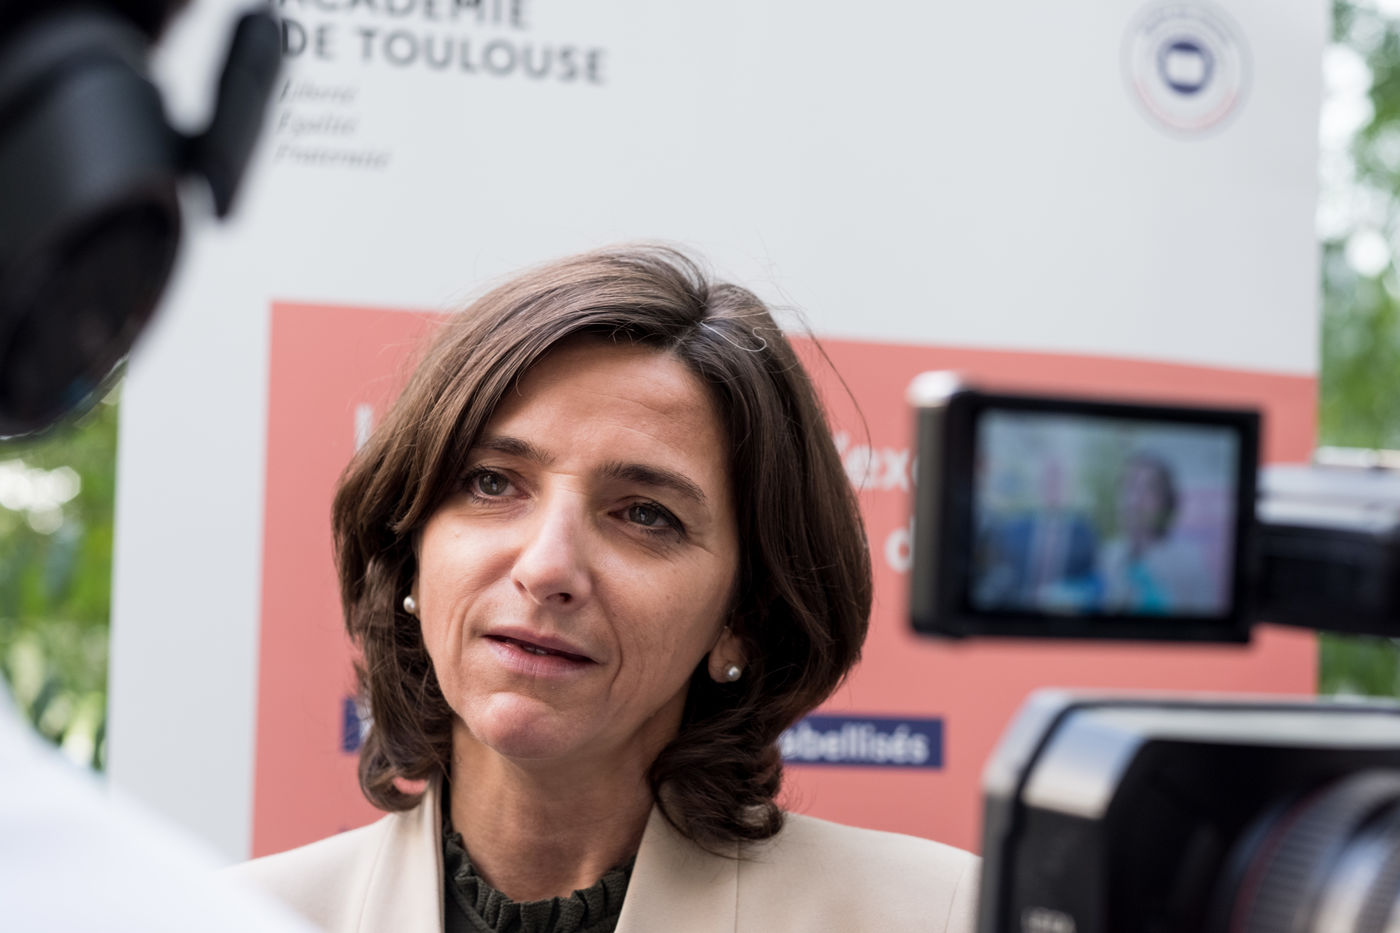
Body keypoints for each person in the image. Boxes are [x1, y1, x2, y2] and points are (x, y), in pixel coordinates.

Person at [229, 246, 979, 931]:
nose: (547, 568)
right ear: (410, 551)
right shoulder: (231, 916)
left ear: (743, 617)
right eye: (491, 482)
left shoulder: (940, 915)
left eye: (645, 514)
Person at [1097, 452, 1215, 615]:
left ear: (1165, 501)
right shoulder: (1105, 557)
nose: (1134, 501)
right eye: (1128, 487)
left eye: (1148, 489)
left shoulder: (1191, 564)